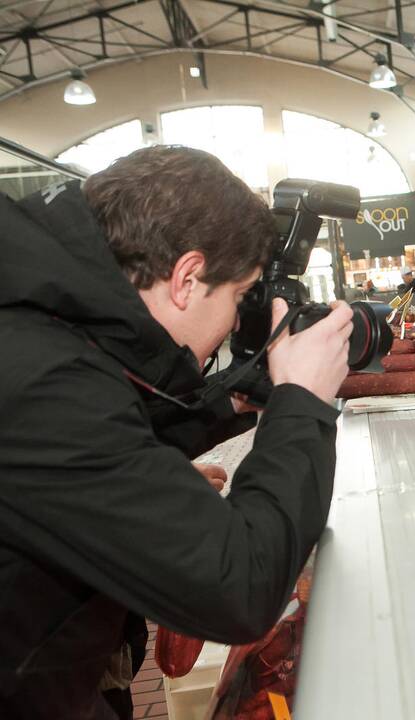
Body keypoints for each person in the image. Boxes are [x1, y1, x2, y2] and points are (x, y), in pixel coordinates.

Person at [0, 146, 353, 718]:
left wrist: (234, 399)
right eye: (239, 299)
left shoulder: (41, 321)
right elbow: (238, 587)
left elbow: (109, 427)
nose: (239, 323)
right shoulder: (40, 379)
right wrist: (302, 402)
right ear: (187, 277)